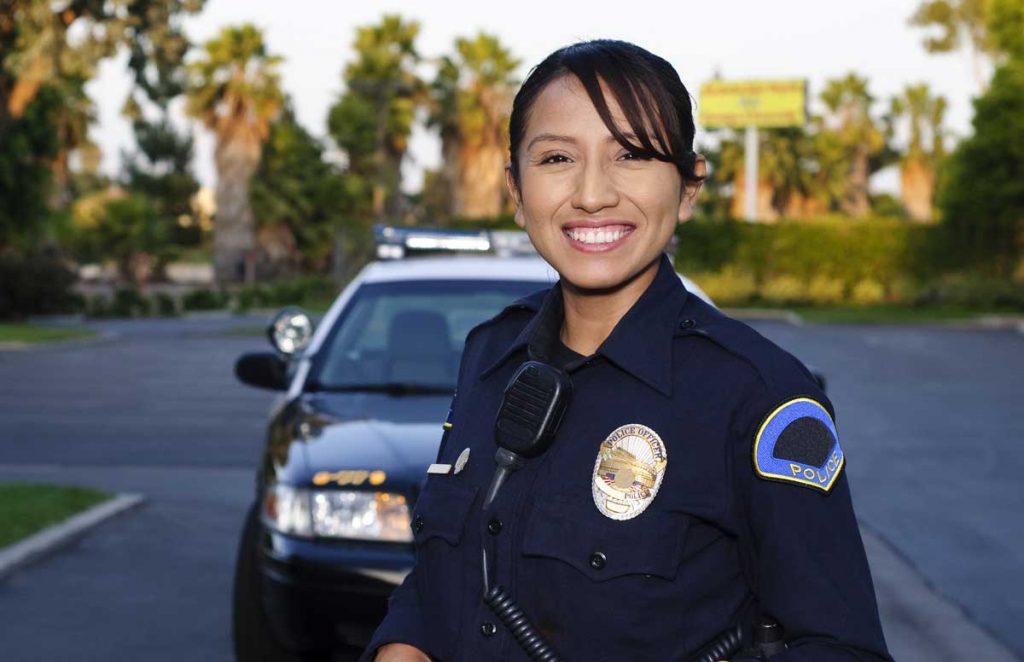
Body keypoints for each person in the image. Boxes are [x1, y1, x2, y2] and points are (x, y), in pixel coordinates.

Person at [366, 39, 892, 662]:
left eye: (633, 156)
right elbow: (443, 578)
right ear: (515, 188)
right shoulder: (490, 356)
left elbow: (840, 647)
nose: (592, 193)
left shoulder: (762, 396)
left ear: (689, 186)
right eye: (558, 157)